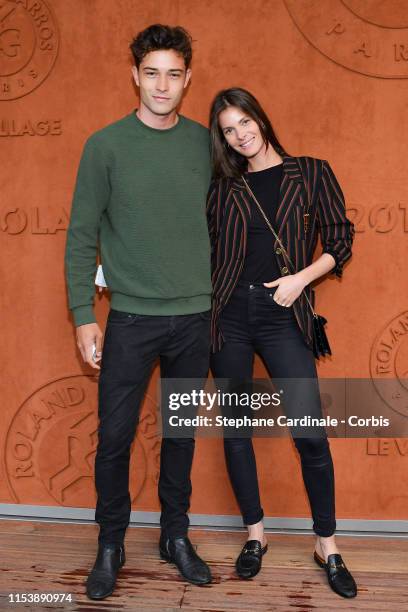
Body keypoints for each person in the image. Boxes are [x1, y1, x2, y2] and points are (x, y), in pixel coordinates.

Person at [65, 24, 213, 600]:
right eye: (151, 72)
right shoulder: (104, 146)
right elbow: (81, 236)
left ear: (187, 79)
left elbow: (231, 221)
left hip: (195, 319)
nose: (162, 84)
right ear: (134, 75)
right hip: (128, 319)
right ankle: (110, 543)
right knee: (115, 439)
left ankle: (175, 536)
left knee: (180, 435)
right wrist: (84, 314)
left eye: (174, 74)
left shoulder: (205, 143)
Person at [206, 87, 357, 599]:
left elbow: (340, 239)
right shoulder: (222, 188)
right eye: (228, 129)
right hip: (227, 314)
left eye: (244, 121)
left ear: (261, 119)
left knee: (309, 433)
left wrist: (301, 279)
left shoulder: (311, 171)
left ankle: (327, 544)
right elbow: (192, 248)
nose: (240, 134)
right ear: (222, 139)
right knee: (236, 431)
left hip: (282, 311)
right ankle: (255, 534)